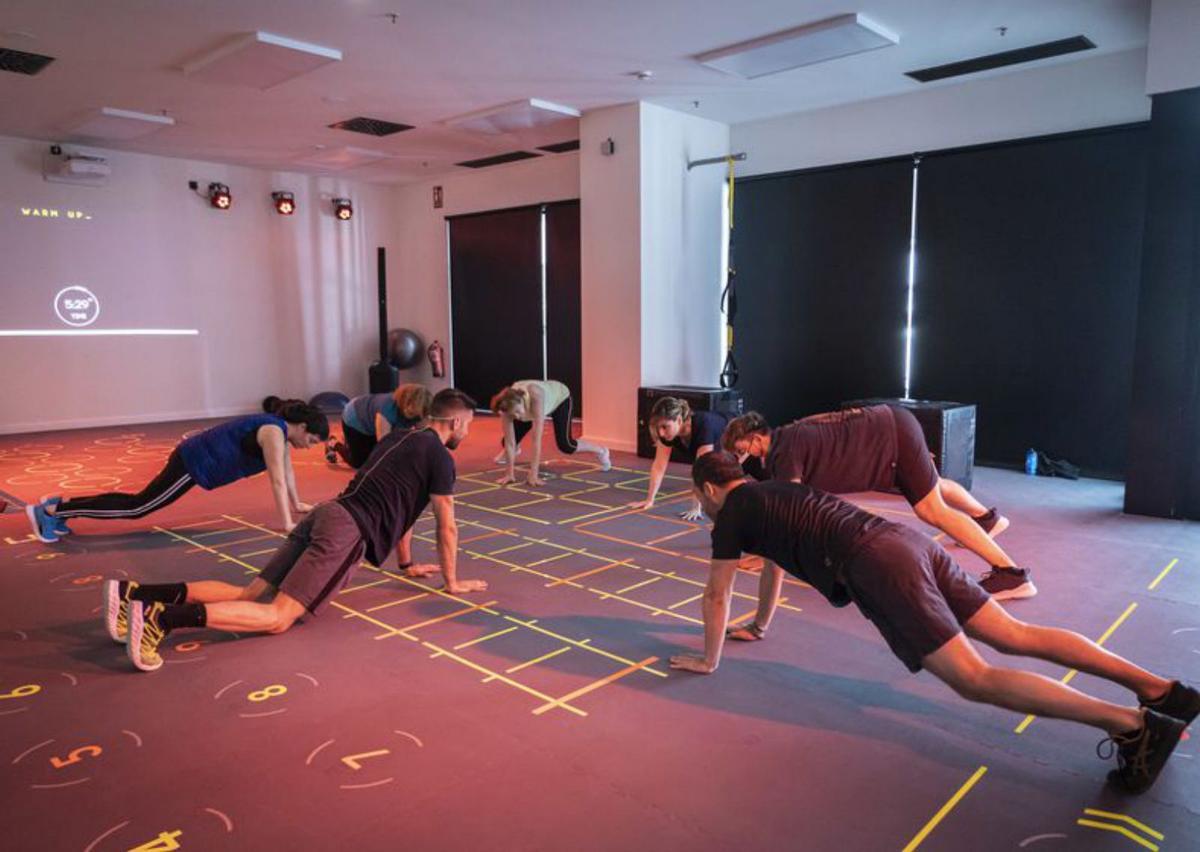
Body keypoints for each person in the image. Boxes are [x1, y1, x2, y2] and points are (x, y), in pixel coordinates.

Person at [670, 452, 1197, 793]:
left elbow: (717, 593)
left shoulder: (732, 512)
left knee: (973, 678)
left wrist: (708, 658)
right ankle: (1161, 691)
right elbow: (778, 567)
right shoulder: (772, 492)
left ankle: (1134, 729)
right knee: (1014, 635)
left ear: (708, 491)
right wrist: (761, 625)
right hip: (903, 541)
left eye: (701, 500)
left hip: (877, 563)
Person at [107, 388, 488, 672]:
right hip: (346, 532)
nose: (467, 433)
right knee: (278, 617)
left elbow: (402, 507)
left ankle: (134, 594)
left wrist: (406, 566)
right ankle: (160, 619)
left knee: (250, 593)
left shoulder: (396, 437)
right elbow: (446, 524)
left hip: (326, 513)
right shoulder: (440, 456)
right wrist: (452, 582)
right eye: (468, 425)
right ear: (455, 422)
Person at [722, 408, 1032, 599]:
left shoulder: (784, 451)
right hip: (893, 426)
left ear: (755, 436)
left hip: (890, 439)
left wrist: (766, 556)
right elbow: (825, 418)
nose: (745, 456)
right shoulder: (790, 431)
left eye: (743, 448)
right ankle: (986, 520)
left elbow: (790, 514)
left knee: (931, 509)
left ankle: (1011, 574)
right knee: (933, 488)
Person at [26, 400, 328, 542]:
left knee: (139, 502)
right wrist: (287, 522)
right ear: (302, 427)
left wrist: (297, 503)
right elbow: (276, 479)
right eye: (312, 440)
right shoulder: (274, 433)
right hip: (193, 462)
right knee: (139, 507)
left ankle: (59, 508)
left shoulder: (281, 435)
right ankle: (53, 511)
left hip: (196, 461)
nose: (310, 446)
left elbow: (287, 473)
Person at [491, 380, 610, 486]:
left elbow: (536, 440)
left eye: (517, 411)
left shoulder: (536, 395)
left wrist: (534, 474)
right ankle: (516, 450)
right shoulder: (505, 406)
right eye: (513, 414)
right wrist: (509, 474)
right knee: (507, 442)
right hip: (529, 408)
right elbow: (509, 442)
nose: (517, 416)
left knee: (566, 445)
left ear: (521, 401)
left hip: (560, 399)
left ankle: (601, 450)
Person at [629, 397, 730, 521]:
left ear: (679, 420)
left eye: (665, 427)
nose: (661, 433)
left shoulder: (703, 426)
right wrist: (650, 500)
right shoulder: (668, 435)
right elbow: (659, 466)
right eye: (658, 428)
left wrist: (696, 507)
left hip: (734, 434)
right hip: (720, 450)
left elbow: (702, 470)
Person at [326, 384, 432, 469]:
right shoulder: (387, 409)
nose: (418, 418)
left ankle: (350, 443)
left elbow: (420, 436)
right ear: (407, 404)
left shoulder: (422, 412)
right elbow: (384, 446)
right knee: (360, 463)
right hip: (356, 419)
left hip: (375, 421)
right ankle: (333, 443)